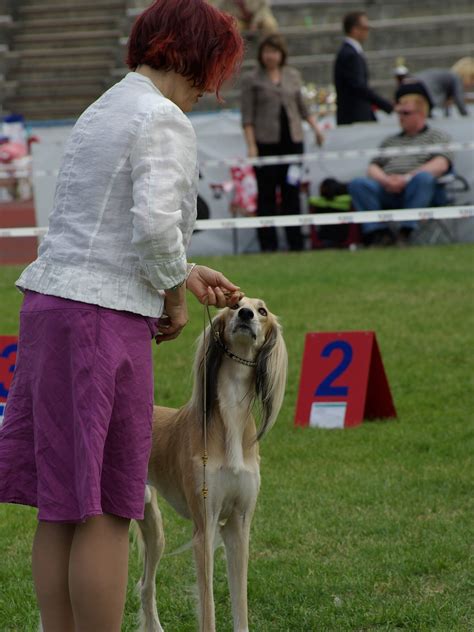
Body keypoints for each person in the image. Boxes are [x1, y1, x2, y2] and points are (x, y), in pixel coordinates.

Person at [0, 1, 244, 631]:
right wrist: (174, 293)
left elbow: (104, 227)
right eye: (214, 70)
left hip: (50, 309)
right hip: (100, 323)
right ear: (196, 57)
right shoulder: (163, 118)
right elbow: (156, 229)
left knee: (59, 506)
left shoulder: (104, 106)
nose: (210, 90)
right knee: (109, 506)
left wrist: (181, 272)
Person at [241, 33, 324, 252]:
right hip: (266, 142)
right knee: (267, 194)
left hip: (292, 141)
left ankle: (295, 242)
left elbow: (302, 107)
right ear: (261, 54)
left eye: (275, 51)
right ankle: (268, 245)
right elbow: (247, 117)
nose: (271, 56)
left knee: (291, 191)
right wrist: (251, 145)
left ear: (282, 54)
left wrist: (316, 128)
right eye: (267, 51)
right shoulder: (252, 79)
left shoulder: (292, 75)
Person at [348, 90, 453, 246]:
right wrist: (386, 180)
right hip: (389, 189)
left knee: (423, 179)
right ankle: (380, 233)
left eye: (406, 113)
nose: (401, 117)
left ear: (421, 114)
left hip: (420, 190)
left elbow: (441, 164)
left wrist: (406, 179)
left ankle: (406, 232)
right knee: (358, 184)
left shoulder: (437, 137)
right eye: (399, 113)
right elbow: (373, 166)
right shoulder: (390, 141)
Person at [334, 11, 393, 125]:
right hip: (355, 117)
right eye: (365, 28)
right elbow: (359, 86)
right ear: (354, 29)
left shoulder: (351, 52)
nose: (367, 32)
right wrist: (386, 105)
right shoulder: (350, 54)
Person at [394, 61, 471, 117]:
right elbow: (459, 99)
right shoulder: (455, 78)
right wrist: (466, 116)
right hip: (426, 89)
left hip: (414, 82)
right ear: (466, 75)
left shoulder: (444, 74)